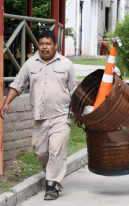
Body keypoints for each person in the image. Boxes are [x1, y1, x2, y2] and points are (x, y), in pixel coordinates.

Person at [0, 30, 76, 200]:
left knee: (56, 149)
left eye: (48, 44)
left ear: (55, 45)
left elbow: (74, 91)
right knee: (40, 151)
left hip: (61, 116)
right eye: (41, 44)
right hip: (40, 117)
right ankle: (51, 171)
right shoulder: (30, 64)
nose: (44, 47)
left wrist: (77, 112)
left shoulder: (66, 64)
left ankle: (52, 185)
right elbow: (17, 85)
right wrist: (6, 103)